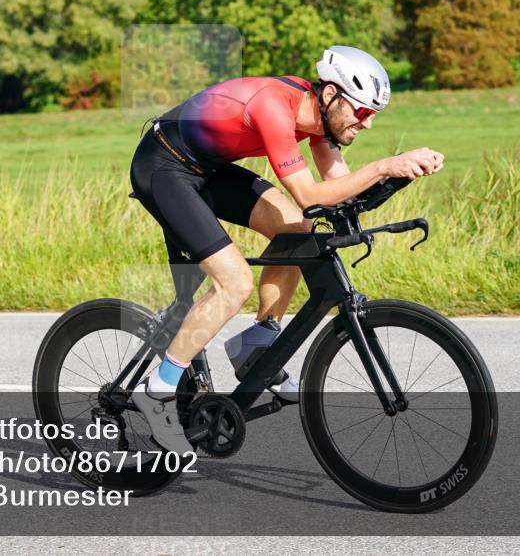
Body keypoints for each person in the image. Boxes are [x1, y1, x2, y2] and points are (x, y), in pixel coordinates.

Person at [127, 45, 445, 454]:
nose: (366, 125)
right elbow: (310, 192)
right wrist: (384, 165)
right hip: (163, 164)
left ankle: (258, 340)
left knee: (300, 227)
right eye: (362, 113)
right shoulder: (274, 107)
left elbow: (336, 197)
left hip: (207, 170)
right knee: (234, 281)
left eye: (373, 117)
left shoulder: (320, 125)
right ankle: (157, 391)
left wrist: (399, 176)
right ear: (330, 96)